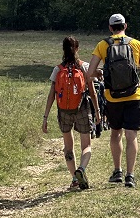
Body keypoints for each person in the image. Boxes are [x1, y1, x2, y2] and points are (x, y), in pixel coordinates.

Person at [87, 13, 140, 188]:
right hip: (133, 95)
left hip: (113, 97)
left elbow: (90, 73)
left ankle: (117, 172)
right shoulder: (136, 44)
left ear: (110, 28)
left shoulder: (102, 45)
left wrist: (101, 73)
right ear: (125, 26)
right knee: (131, 136)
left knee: (116, 134)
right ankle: (130, 176)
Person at [42, 36, 101, 191]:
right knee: (86, 146)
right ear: (77, 49)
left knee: (68, 148)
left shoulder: (57, 69)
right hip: (82, 108)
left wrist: (45, 117)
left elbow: (51, 95)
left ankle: (75, 179)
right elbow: (92, 92)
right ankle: (81, 169)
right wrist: (97, 111)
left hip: (64, 111)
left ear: (63, 49)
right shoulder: (84, 67)